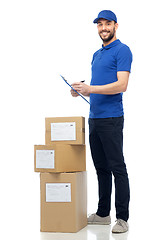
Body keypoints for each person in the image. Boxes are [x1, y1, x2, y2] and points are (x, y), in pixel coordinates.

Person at [70, 10, 132, 233]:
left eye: (107, 24)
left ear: (116, 25)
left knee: (117, 168)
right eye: (99, 25)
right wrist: (80, 91)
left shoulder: (123, 50)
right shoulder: (97, 54)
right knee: (101, 168)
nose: (103, 28)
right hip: (95, 118)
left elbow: (121, 85)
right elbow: (97, 86)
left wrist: (91, 88)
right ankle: (103, 214)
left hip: (112, 119)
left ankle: (122, 218)